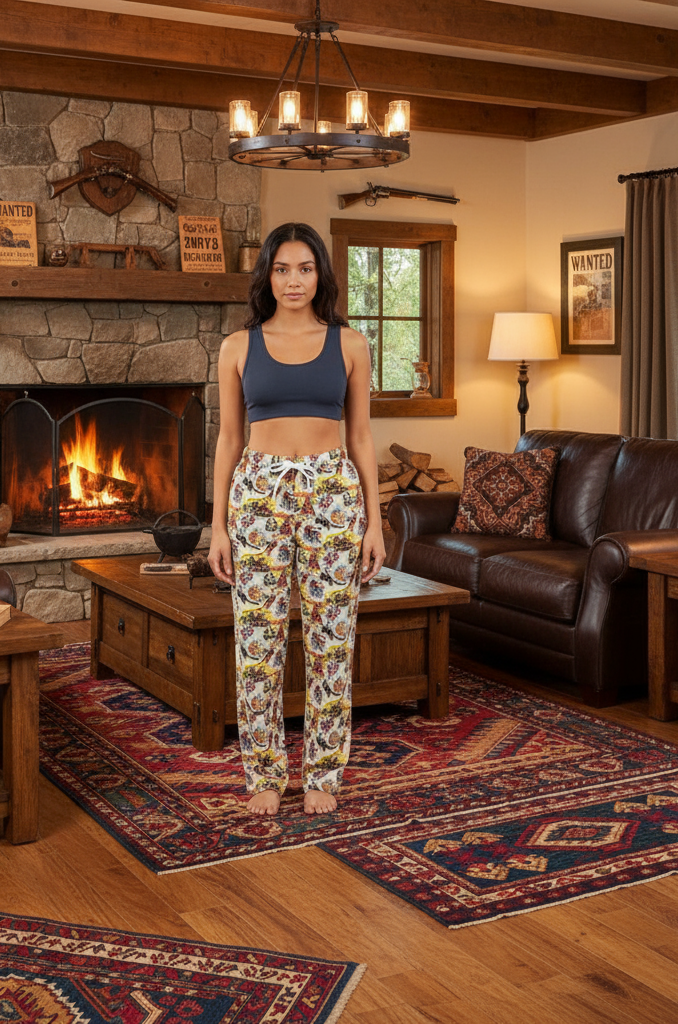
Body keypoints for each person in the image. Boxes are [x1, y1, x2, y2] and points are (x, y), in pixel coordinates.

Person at [208, 222, 385, 817]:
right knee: (257, 638)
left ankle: (324, 774)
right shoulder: (238, 346)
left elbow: (360, 437)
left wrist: (375, 524)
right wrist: (219, 525)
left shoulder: (351, 344)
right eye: (282, 269)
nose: (293, 280)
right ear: (268, 275)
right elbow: (228, 440)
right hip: (257, 493)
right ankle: (263, 771)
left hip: (333, 491)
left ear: (320, 276)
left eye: (304, 269)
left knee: (332, 637)